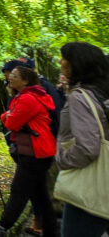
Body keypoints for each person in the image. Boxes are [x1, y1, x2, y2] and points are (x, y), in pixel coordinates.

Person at [0, 66, 58, 237]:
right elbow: (12, 118)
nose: (10, 77)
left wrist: (6, 116)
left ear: (25, 81)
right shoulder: (31, 96)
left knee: (19, 189)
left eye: (15, 75)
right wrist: (9, 115)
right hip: (40, 150)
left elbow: (11, 123)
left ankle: (2, 227)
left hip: (34, 152)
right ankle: (52, 231)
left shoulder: (28, 99)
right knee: (40, 194)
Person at [55, 42, 109, 237]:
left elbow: (88, 148)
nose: (60, 62)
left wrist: (62, 159)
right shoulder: (102, 91)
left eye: (63, 58)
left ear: (75, 64)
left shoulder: (81, 97)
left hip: (90, 187)